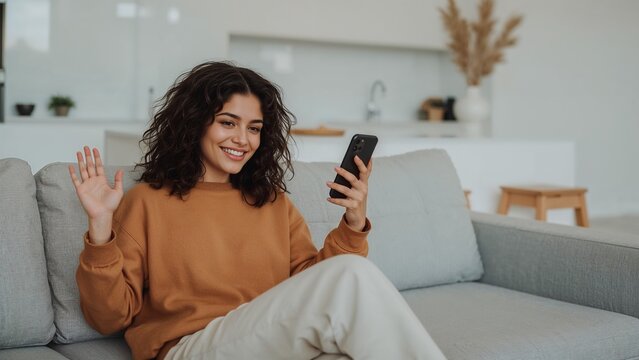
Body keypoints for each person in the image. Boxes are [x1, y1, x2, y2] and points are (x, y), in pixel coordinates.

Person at [70, 61, 447, 360]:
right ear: (194, 124)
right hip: (191, 349)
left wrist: (352, 223)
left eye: (254, 128)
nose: (242, 139)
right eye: (227, 123)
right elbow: (108, 318)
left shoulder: (272, 202)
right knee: (352, 272)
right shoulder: (147, 203)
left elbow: (312, 287)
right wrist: (101, 229)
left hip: (272, 345)